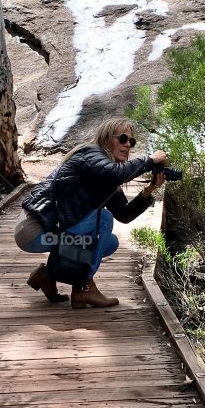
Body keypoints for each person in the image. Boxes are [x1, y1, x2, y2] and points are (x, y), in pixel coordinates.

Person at [15, 118, 168, 309]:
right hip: (35, 231)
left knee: (110, 243)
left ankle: (46, 275)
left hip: (53, 235)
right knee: (104, 218)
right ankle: (83, 287)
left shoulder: (106, 175)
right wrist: (149, 160)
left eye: (131, 141)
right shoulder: (91, 154)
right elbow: (114, 174)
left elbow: (124, 214)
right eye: (122, 139)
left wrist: (150, 188)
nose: (128, 145)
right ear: (105, 139)